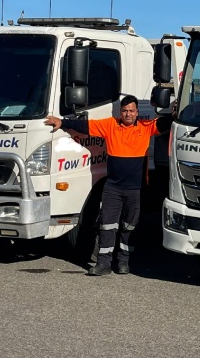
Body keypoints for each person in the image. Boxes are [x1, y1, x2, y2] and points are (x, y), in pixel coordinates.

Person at [44, 94, 173, 276]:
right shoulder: (110, 125)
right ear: (121, 112)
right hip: (113, 187)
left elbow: (164, 124)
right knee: (107, 225)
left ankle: (123, 262)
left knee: (129, 226)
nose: (128, 114)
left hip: (135, 189)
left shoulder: (146, 128)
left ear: (137, 113)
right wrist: (62, 122)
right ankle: (103, 264)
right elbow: (85, 126)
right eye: (125, 110)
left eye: (131, 111)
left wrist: (175, 115)